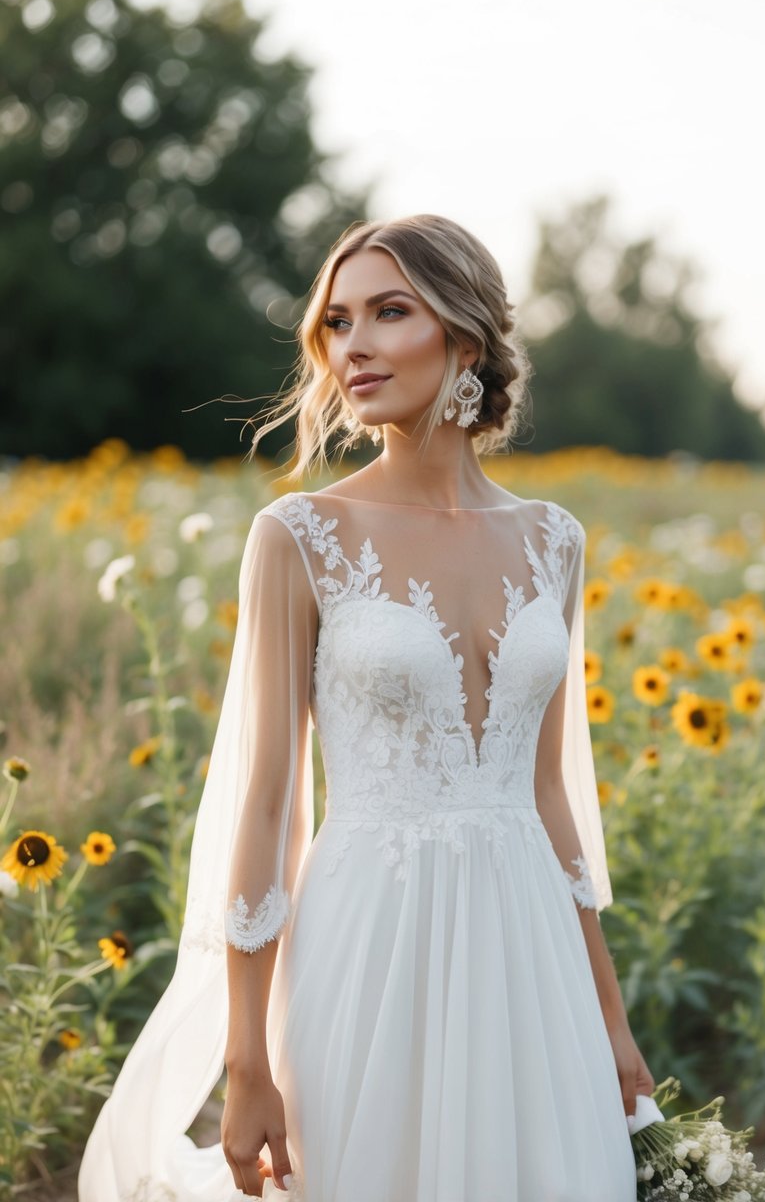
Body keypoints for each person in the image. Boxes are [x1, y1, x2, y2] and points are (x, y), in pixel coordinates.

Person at [79, 214, 653, 1202]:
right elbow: (265, 805)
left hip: (528, 951)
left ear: (464, 337)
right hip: (367, 936)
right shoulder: (299, 535)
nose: (355, 345)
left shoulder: (553, 539)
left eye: (389, 312)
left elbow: (552, 795)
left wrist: (609, 1021)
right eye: (337, 322)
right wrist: (247, 1061)